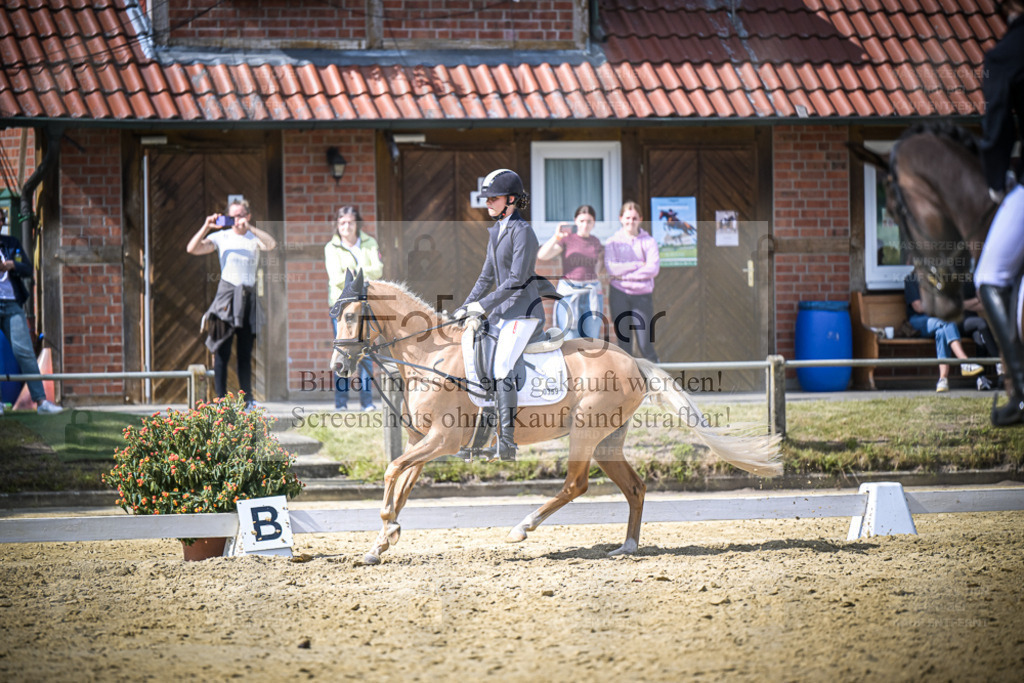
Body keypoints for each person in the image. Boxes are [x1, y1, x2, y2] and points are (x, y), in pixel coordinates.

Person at [453, 168, 544, 462]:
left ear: (512, 199)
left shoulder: (523, 232)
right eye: (487, 198)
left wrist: (483, 306)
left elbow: (516, 279)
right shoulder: (496, 232)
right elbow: (485, 277)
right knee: (480, 356)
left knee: (503, 364)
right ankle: (480, 436)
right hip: (503, 312)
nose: (488, 203)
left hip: (523, 311)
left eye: (493, 198)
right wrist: (465, 307)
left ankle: (506, 443)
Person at [974, 0, 1024, 424]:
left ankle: (1020, 393)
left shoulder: (1007, 53)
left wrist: (995, 181)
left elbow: (996, 126)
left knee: (990, 275)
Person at [186, 198, 276, 410]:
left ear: (248, 216)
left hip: (249, 299)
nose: (238, 220)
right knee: (222, 352)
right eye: (234, 216)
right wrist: (207, 226)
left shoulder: (253, 237)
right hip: (226, 300)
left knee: (245, 354)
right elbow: (192, 248)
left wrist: (250, 228)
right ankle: (221, 401)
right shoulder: (221, 236)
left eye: (242, 215)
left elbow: (271, 245)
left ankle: (248, 401)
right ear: (228, 217)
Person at [324, 205, 383, 411]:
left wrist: (355, 275)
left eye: (350, 222)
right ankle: (341, 403)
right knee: (342, 351)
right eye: (342, 223)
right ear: (337, 225)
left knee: (365, 353)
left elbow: (379, 270)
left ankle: (367, 402)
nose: (346, 226)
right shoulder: (331, 247)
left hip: (366, 307)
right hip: (343, 309)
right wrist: (362, 277)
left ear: (357, 223)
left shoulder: (369, 242)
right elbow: (336, 277)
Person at [0, 232, 63, 415]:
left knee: (25, 351)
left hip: (12, 304)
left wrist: (12, 265)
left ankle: (41, 402)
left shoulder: (11, 243)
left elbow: (27, 269)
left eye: (1, 219)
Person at [904, 271, 984, 392]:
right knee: (946, 322)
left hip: (936, 321)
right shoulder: (911, 279)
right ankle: (964, 362)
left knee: (941, 332)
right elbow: (918, 307)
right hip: (919, 321)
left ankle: (943, 380)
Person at [604, 201, 661, 362]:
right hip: (619, 295)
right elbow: (612, 269)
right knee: (624, 343)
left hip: (642, 297)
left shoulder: (649, 241)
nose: (631, 221)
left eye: (635, 218)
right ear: (621, 218)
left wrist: (624, 275)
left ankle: (659, 382)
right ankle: (628, 384)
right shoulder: (612, 241)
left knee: (645, 344)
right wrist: (637, 265)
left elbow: (653, 269)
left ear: (641, 219)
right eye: (627, 217)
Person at [537, 204, 605, 339]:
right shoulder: (567, 239)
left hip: (591, 294)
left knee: (592, 340)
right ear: (575, 221)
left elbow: (597, 264)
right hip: (569, 293)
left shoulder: (595, 241)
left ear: (594, 223)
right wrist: (556, 236)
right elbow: (542, 255)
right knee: (570, 339)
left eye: (589, 221)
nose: (585, 225)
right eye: (582, 221)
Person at [962, 278, 1002, 391]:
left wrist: (966, 304)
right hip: (956, 323)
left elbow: (983, 305)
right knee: (981, 322)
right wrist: (975, 301)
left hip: (972, 323)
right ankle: (998, 362)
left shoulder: (970, 281)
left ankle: (981, 378)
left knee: (979, 336)